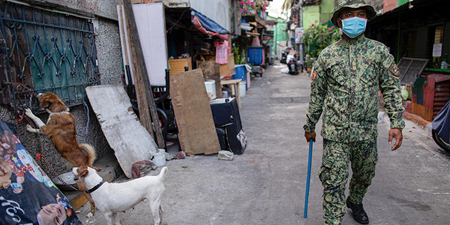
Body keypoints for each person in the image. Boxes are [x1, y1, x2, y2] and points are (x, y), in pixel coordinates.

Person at [303, 1, 405, 224]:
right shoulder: (327, 56)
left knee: (364, 175)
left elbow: (390, 88)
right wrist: (309, 126)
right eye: (349, 14)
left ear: (367, 19)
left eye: (360, 14)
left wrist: (396, 122)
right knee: (334, 182)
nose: (355, 19)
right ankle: (333, 221)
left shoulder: (378, 52)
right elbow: (317, 96)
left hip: (365, 132)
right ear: (339, 20)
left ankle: (355, 200)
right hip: (335, 134)